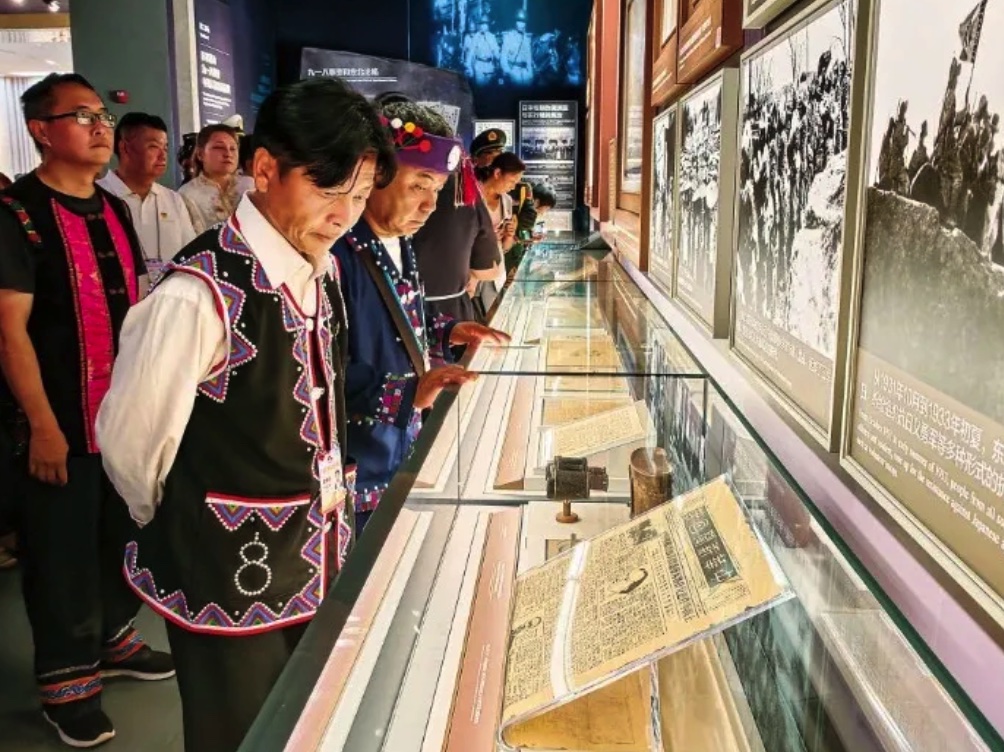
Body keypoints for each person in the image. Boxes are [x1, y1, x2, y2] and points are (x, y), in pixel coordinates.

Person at [95, 77, 396, 752]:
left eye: (358, 195)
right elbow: (131, 446)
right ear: (264, 170)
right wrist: (190, 528)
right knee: (238, 735)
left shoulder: (321, 271)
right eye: (328, 188)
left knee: (308, 723)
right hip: (228, 576)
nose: (344, 213)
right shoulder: (198, 294)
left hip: (316, 558)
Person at [0, 72, 173, 749]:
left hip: (119, 418)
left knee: (120, 537)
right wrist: (43, 426)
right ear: (41, 131)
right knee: (61, 553)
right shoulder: (16, 214)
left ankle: (111, 639)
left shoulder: (112, 209)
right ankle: (66, 684)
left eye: (102, 114)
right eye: (81, 116)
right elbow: (9, 332)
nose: (101, 126)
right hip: (57, 424)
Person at [332, 101, 509, 532]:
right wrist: (408, 392)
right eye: (418, 186)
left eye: (439, 189)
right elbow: (322, 373)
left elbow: (401, 321)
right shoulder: (337, 255)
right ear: (375, 175)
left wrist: (448, 330)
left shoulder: (400, 241)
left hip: (397, 452)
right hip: (359, 466)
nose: (430, 205)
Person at [412, 125, 505, 322]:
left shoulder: (467, 191)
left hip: (436, 319)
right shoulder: (464, 190)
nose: (429, 205)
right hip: (449, 311)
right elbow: (489, 268)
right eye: (418, 186)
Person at [98, 112, 197, 281]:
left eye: (165, 148)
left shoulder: (173, 200)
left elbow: (191, 256)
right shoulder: (97, 195)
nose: (163, 155)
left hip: (167, 294)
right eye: (153, 147)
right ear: (125, 148)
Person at [475, 151, 526, 309]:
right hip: (470, 265)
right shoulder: (473, 195)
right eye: (512, 181)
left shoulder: (507, 201)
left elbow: (504, 247)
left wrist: (509, 235)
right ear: (497, 173)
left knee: (490, 312)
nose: (513, 186)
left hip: (495, 267)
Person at [178, 123, 246, 233]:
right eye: (219, 147)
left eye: (233, 148)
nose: (228, 154)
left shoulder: (251, 186)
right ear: (200, 154)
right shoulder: (187, 194)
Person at [507, 181, 556, 275]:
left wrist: (531, 237)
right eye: (546, 208)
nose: (545, 212)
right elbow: (516, 237)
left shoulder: (522, 209)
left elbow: (520, 235)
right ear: (537, 201)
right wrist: (529, 238)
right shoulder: (526, 214)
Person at [500, 8, 534, 86]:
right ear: (515, 22)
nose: (521, 24)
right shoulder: (509, 36)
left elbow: (528, 57)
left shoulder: (526, 39)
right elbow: (503, 57)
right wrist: (508, 72)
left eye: (523, 22)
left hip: (525, 73)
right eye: (519, 21)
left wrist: (530, 72)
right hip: (513, 70)